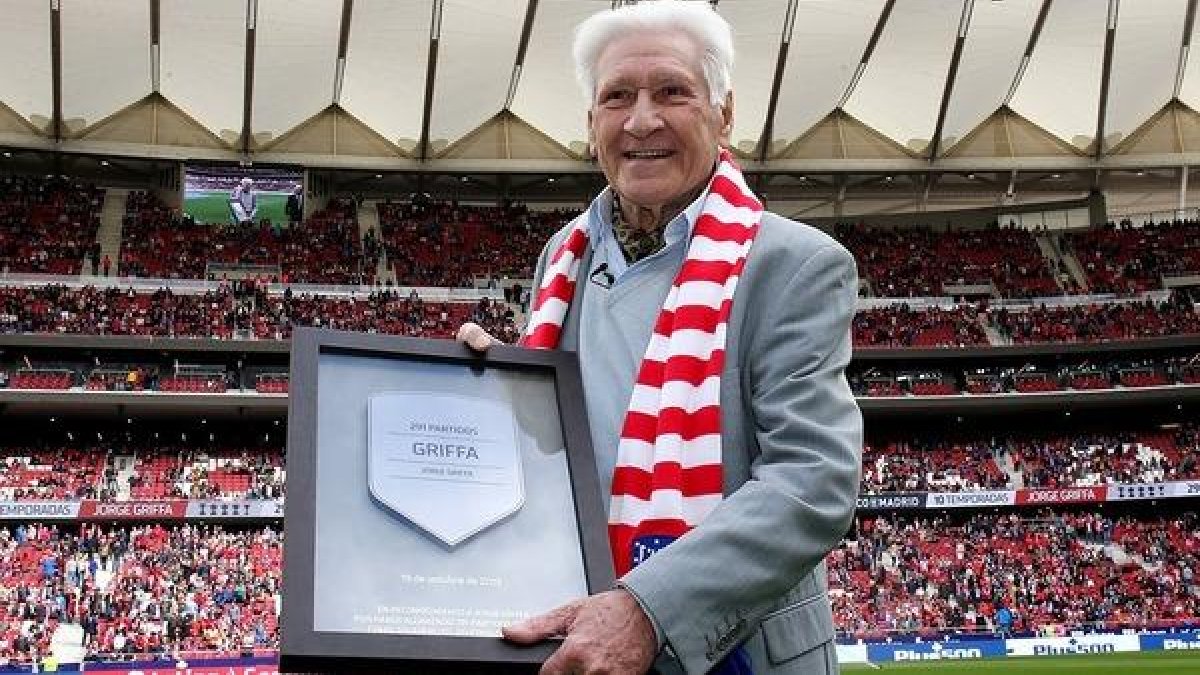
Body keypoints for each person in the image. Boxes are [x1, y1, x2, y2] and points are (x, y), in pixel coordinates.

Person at [457, 2, 861, 673]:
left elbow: (813, 479)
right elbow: (563, 444)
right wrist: (495, 382)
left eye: (672, 91)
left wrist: (648, 608)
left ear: (724, 113)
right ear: (591, 124)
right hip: (582, 638)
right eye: (617, 96)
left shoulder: (794, 265)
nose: (641, 121)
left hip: (742, 655)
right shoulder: (562, 257)